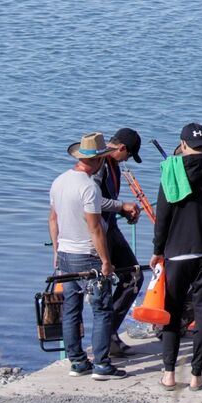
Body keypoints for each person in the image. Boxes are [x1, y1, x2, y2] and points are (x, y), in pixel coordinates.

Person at [151, 123, 202, 392]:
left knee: (172, 313)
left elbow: (162, 216)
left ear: (183, 145)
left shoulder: (171, 170)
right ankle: (197, 375)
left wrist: (157, 249)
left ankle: (168, 373)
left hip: (176, 252)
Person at [49, 132, 125, 381]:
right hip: (88, 255)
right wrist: (105, 261)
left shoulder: (59, 181)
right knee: (102, 309)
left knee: (72, 308)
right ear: (99, 160)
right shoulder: (89, 187)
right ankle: (102, 364)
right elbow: (94, 227)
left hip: (65, 254)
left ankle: (77, 361)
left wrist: (56, 252)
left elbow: (53, 219)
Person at [98, 128, 144, 359]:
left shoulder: (113, 164)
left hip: (111, 228)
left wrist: (123, 212)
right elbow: (91, 200)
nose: (127, 160)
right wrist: (121, 206)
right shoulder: (98, 163)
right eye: (128, 155)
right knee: (103, 285)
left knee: (134, 275)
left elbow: (110, 202)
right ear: (122, 148)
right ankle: (106, 337)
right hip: (97, 232)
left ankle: (109, 333)